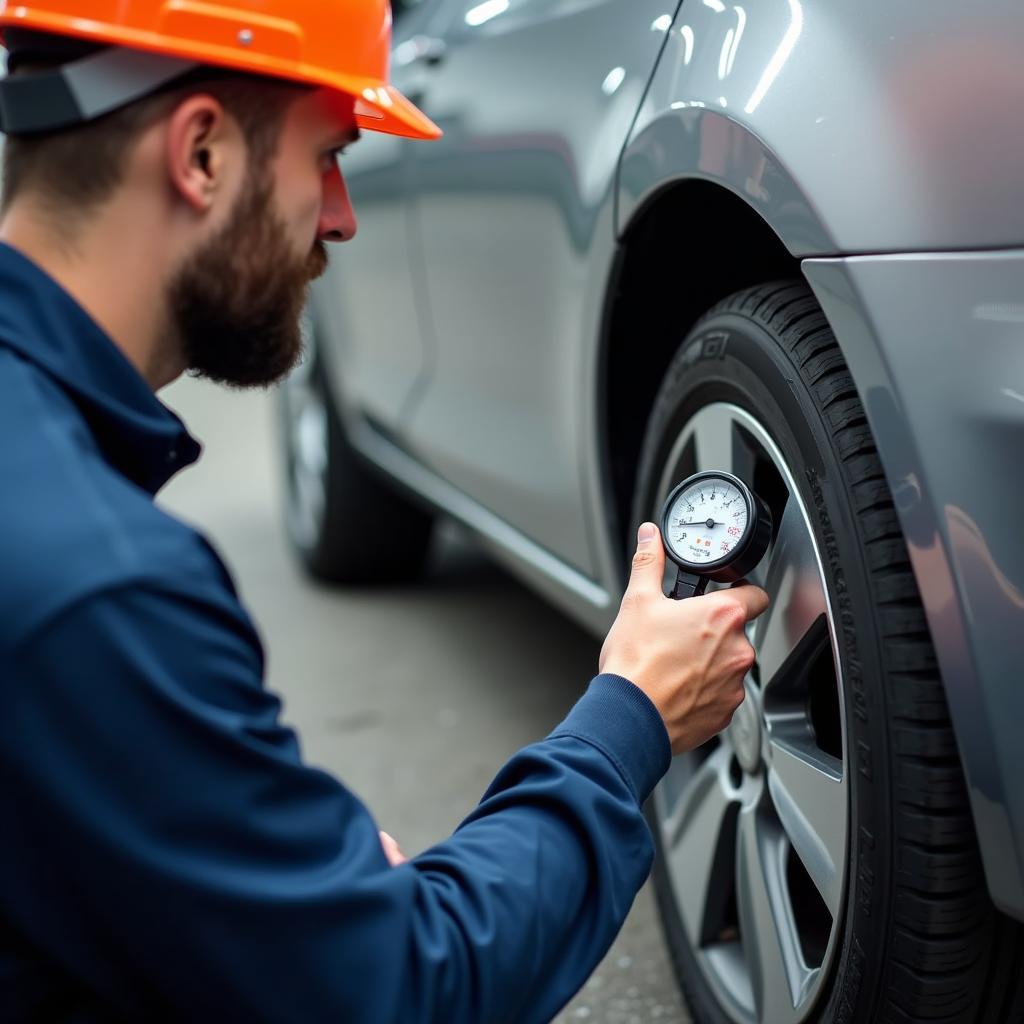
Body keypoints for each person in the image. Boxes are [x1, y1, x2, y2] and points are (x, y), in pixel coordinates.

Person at [0, 4, 769, 1021]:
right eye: (325, 157)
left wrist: (276, 885)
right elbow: (405, 989)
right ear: (200, 152)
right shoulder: (99, 586)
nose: (341, 215)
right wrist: (629, 717)